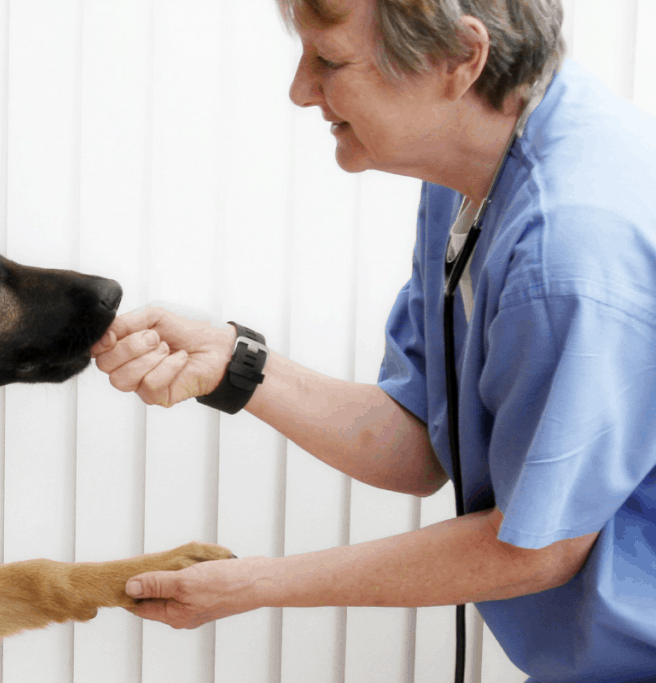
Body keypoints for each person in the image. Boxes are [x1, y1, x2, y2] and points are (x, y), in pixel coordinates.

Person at [90, 0, 656, 681]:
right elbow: (418, 443)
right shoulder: (472, 172)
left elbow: (536, 546)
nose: (300, 90)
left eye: (328, 61)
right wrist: (234, 364)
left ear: (459, 58)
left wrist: (254, 585)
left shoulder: (571, 249)